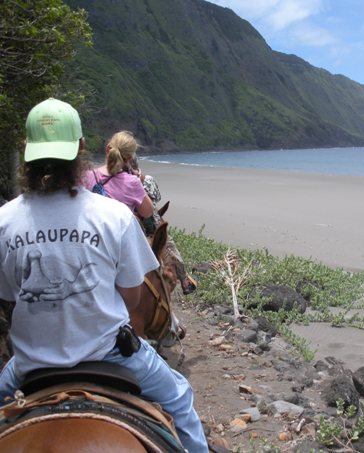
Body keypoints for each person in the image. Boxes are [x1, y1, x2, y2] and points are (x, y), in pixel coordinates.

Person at [0, 98, 208, 452]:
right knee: (180, 398)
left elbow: (8, 299)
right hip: (111, 355)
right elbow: (132, 297)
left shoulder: (5, 220)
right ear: (81, 148)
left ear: (27, 151)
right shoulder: (113, 216)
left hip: (30, 364)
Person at [130, 156, 197, 295]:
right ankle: (185, 282)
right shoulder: (146, 179)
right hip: (150, 224)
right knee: (171, 249)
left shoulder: (118, 181)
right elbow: (156, 199)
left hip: (130, 224)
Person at [82, 130, 153, 219]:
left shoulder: (86, 176)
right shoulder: (132, 182)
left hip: (90, 231)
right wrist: (137, 181)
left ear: (108, 149)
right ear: (130, 157)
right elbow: (148, 212)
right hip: (118, 232)